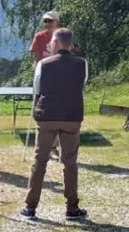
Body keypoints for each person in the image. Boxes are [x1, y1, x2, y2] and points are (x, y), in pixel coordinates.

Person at [20, 28, 89, 222]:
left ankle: (30, 207)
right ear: (71, 44)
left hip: (47, 116)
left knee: (39, 161)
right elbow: (81, 83)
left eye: (51, 41)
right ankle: (72, 208)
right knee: (70, 162)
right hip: (71, 116)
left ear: (56, 43)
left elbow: (37, 88)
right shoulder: (82, 64)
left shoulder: (43, 64)